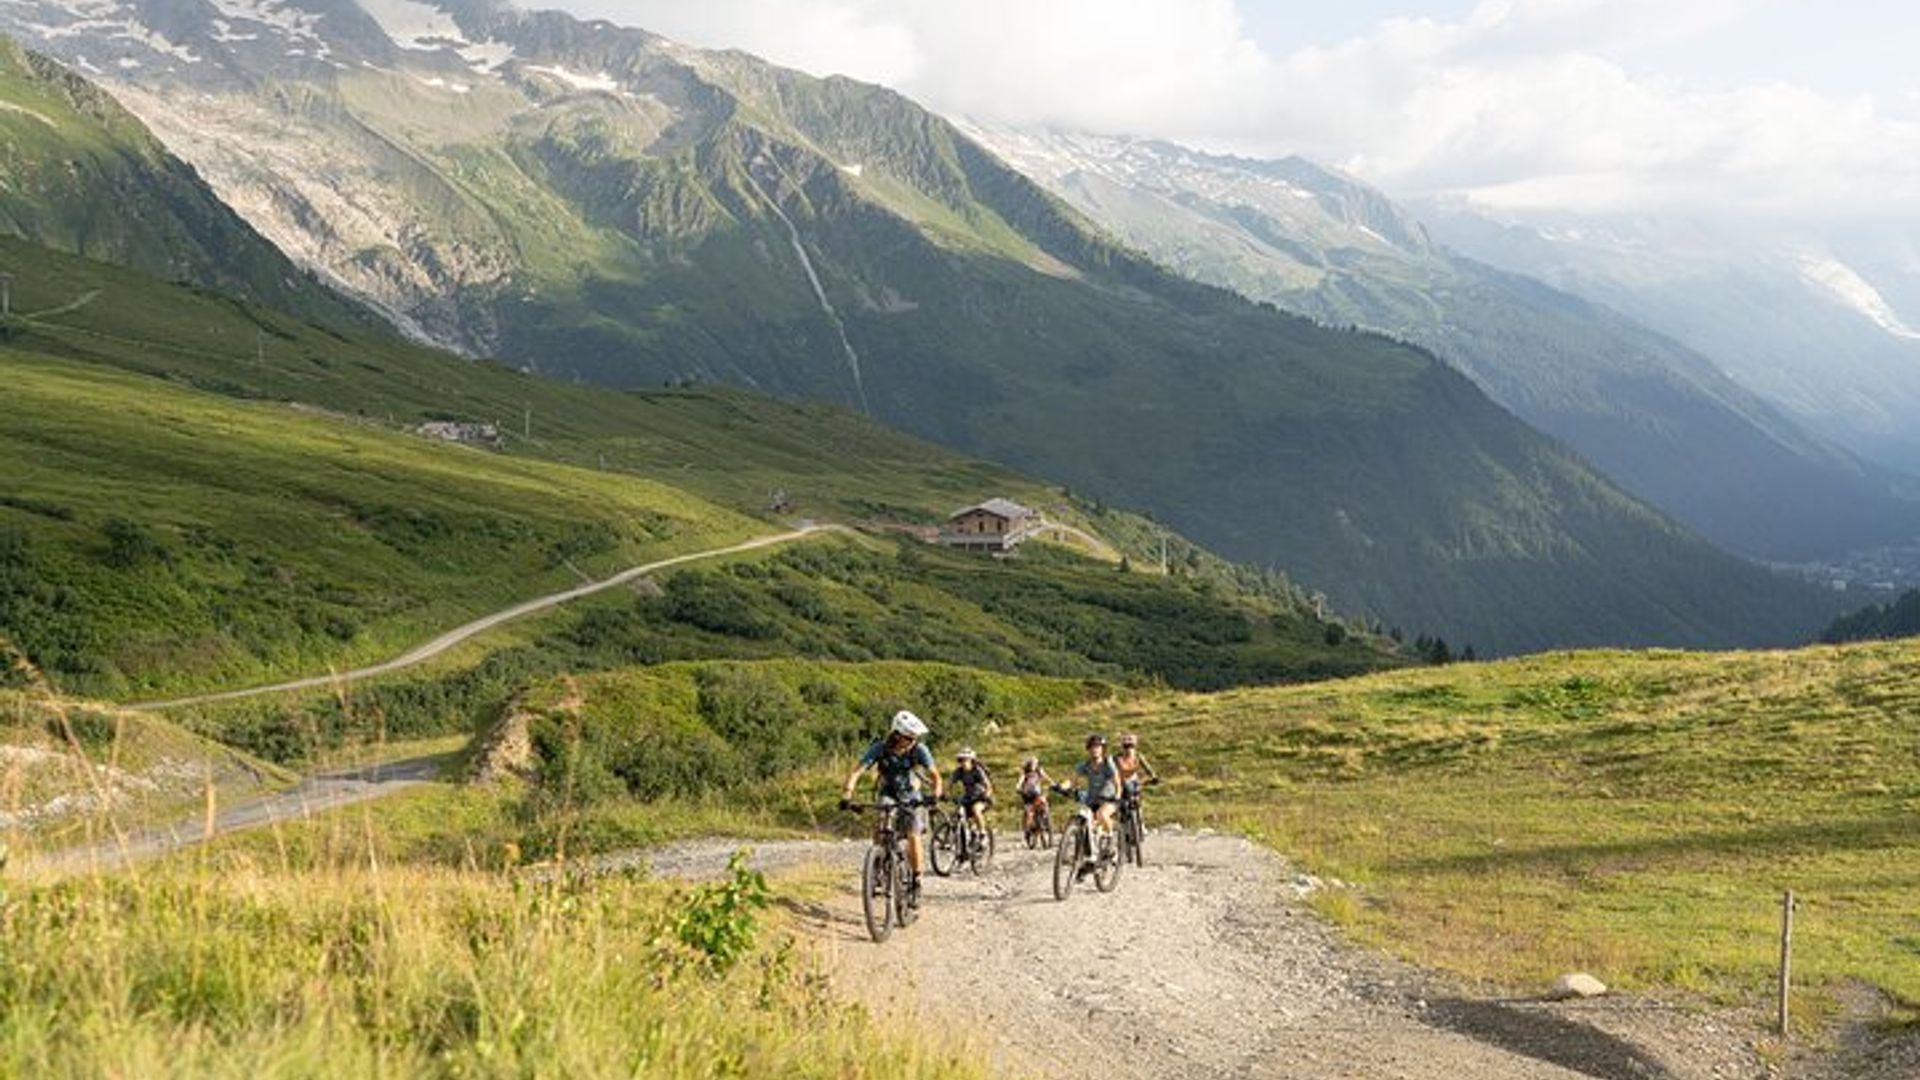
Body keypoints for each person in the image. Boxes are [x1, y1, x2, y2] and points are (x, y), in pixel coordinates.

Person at [841, 710, 943, 878]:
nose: (912, 741)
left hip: (911, 796)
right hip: (888, 792)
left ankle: (916, 879)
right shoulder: (880, 748)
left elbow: (935, 776)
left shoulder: (919, 750)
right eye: (909, 738)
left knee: (913, 835)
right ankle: (878, 860)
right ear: (896, 735)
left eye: (914, 738)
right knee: (881, 823)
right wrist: (847, 795)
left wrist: (935, 795)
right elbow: (857, 771)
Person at [1074, 732, 1121, 837]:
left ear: (1103, 749)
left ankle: (1110, 837)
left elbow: (1117, 782)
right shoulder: (1085, 765)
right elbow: (1073, 780)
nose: (1094, 750)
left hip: (1108, 799)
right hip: (1092, 799)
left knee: (1102, 814)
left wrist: (1117, 795)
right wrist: (1060, 787)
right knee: (1086, 816)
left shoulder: (1108, 764)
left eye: (1097, 747)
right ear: (1088, 749)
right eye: (1092, 747)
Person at [949, 747, 994, 829]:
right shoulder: (959, 771)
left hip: (980, 797)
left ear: (971, 760)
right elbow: (951, 784)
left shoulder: (977, 771)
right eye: (961, 760)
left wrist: (987, 795)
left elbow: (988, 785)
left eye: (965, 760)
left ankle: (982, 832)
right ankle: (967, 830)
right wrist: (948, 794)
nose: (963, 762)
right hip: (968, 798)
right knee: (958, 812)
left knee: (976, 809)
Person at [1016, 755, 1054, 835]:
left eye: (1035, 763)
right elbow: (1020, 781)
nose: (1034, 765)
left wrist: (1053, 783)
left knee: (1044, 803)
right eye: (1032, 763)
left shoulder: (1039, 771)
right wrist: (1018, 787)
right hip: (1027, 794)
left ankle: (1045, 819)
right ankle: (1027, 829)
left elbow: (1046, 777)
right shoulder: (1025, 773)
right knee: (1029, 811)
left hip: (1037, 793)